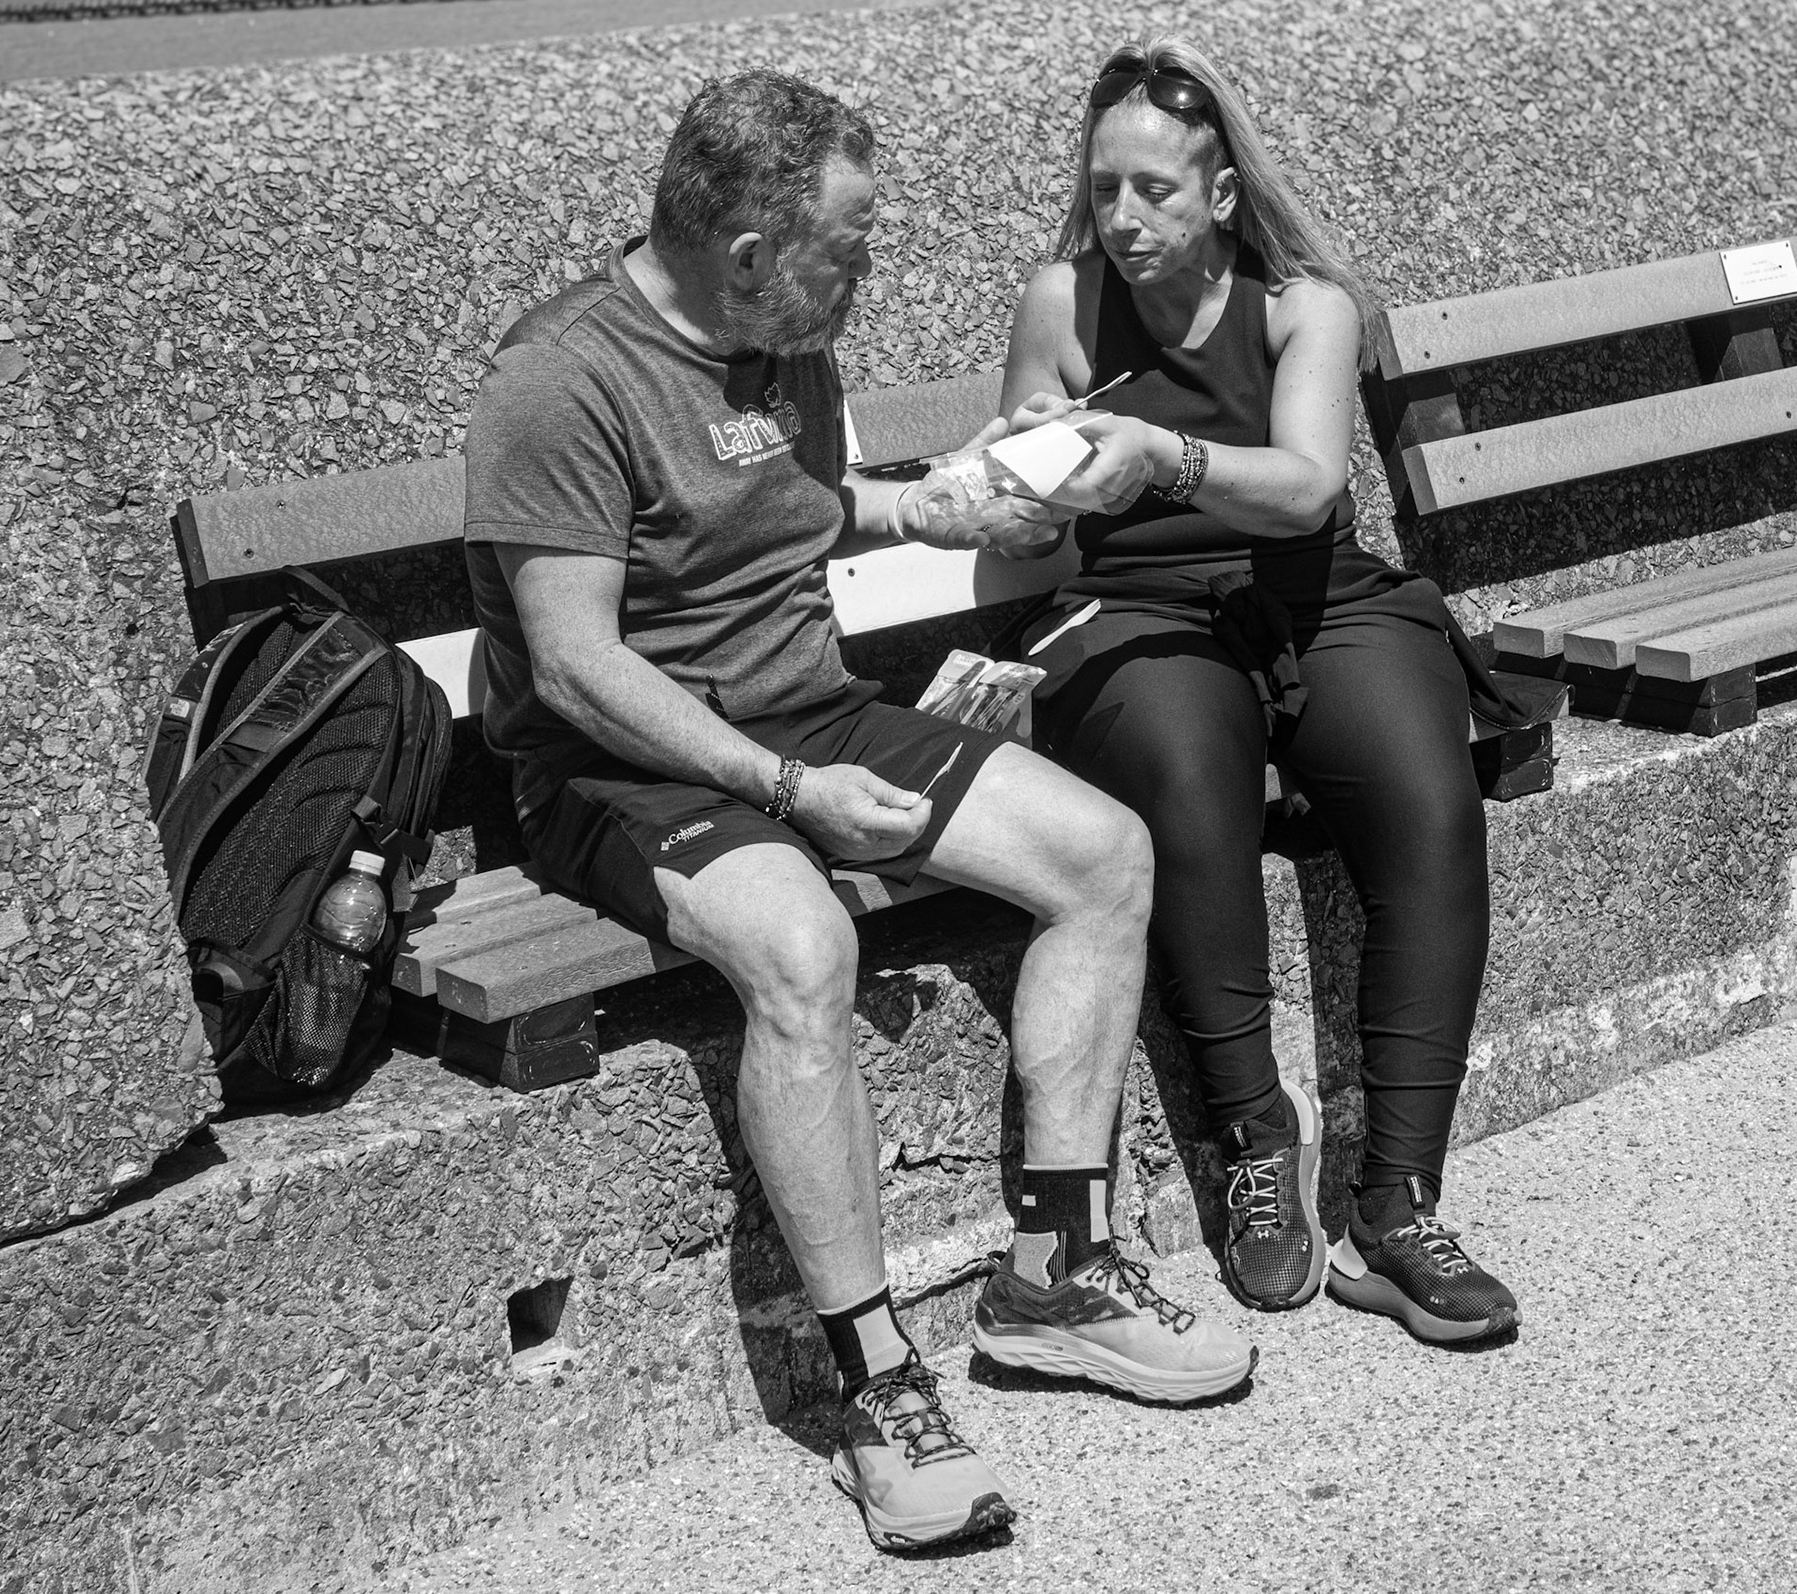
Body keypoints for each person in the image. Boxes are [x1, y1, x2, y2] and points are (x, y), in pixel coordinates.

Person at [461, 69, 1255, 1552]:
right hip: (621, 768)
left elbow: (807, 504)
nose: (871, 266)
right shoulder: (561, 380)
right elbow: (573, 666)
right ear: (750, 249)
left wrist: (941, 503)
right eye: (852, 241)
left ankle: (1056, 1274)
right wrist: (784, 789)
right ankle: (876, 1382)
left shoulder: (785, 335)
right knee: (803, 950)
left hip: (810, 710)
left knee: (1102, 854)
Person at [995, 35, 1522, 1345]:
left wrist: (1160, 455)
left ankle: (1397, 1204)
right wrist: (1016, 484)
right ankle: (1253, 1137)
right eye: (1104, 187)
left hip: (1313, 589)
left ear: (1222, 193)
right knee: (1184, 774)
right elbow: (1024, 522)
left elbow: (1304, 486)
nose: (1122, 216)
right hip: (1136, 602)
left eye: (1154, 189)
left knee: (1428, 799)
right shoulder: (1061, 302)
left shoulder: (1303, 306)